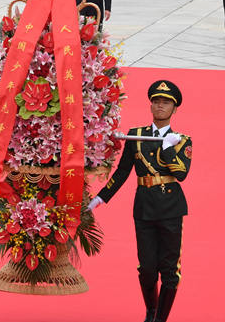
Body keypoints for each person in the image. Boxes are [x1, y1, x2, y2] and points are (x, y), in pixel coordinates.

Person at [89, 80, 192, 322]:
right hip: (144, 207)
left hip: (170, 208)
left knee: (169, 270)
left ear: (174, 109)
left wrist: (167, 149)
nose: (160, 106)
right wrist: (101, 198)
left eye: (165, 103)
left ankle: (159, 319)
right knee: (146, 269)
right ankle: (151, 310)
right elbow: (123, 172)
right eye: (156, 101)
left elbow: (181, 174)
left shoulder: (181, 140)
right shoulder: (135, 136)